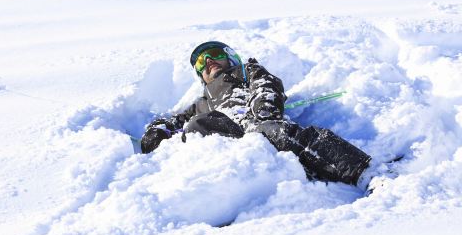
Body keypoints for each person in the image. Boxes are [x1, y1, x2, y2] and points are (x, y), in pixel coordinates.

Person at [140, 41, 385, 190]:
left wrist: (262, 109)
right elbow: (173, 122)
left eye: (215, 54)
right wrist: (157, 132)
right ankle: (216, 190)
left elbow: (267, 85)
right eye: (202, 63)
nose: (208, 62)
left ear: (230, 57)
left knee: (276, 131)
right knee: (197, 124)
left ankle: (365, 173)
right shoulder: (202, 104)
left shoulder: (246, 72)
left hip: (256, 122)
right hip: (226, 140)